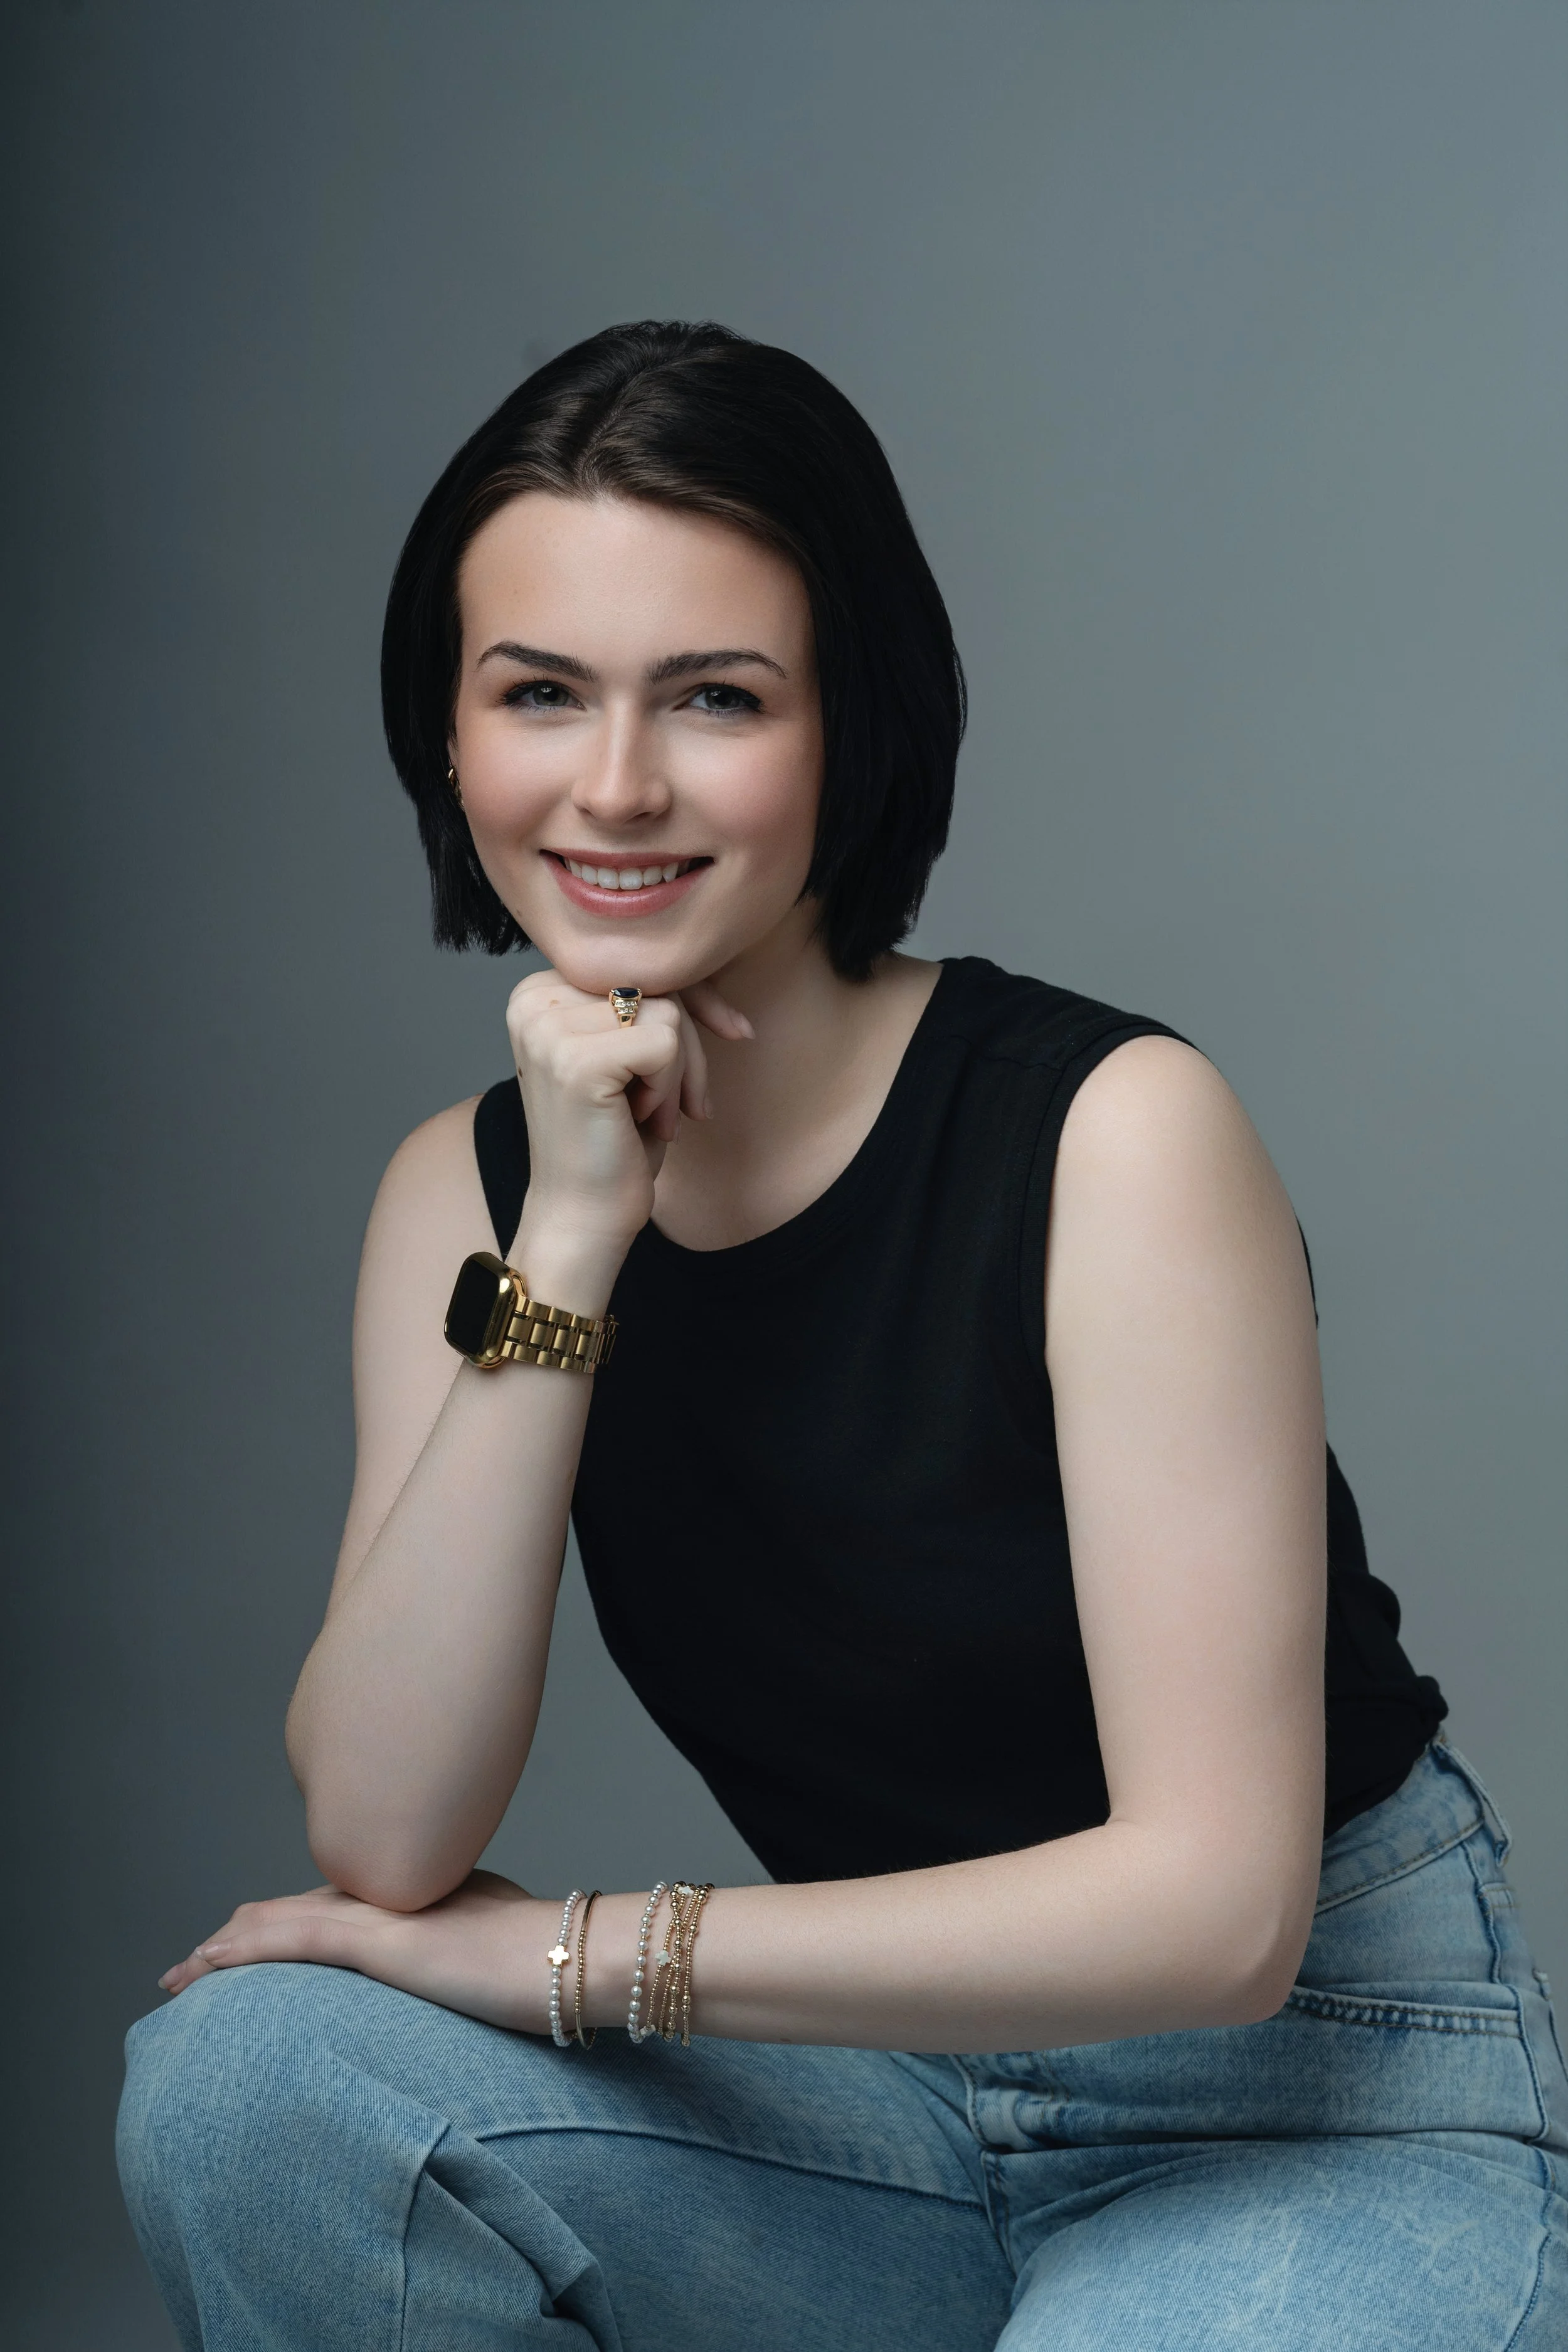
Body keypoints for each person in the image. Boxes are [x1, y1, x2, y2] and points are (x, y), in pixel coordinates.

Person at [117, 320, 1567, 2351]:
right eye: (539, 693)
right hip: (876, 2112)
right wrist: (578, 1220)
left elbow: (1215, 1914)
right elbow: (383, 1830)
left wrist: (576, 1960)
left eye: (714, 697)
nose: (614, 785)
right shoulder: (471, 1192)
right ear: (447, 739)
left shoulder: (1110, 1132)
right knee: (253, 2086)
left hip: (1315, 2097)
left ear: (847, 729)